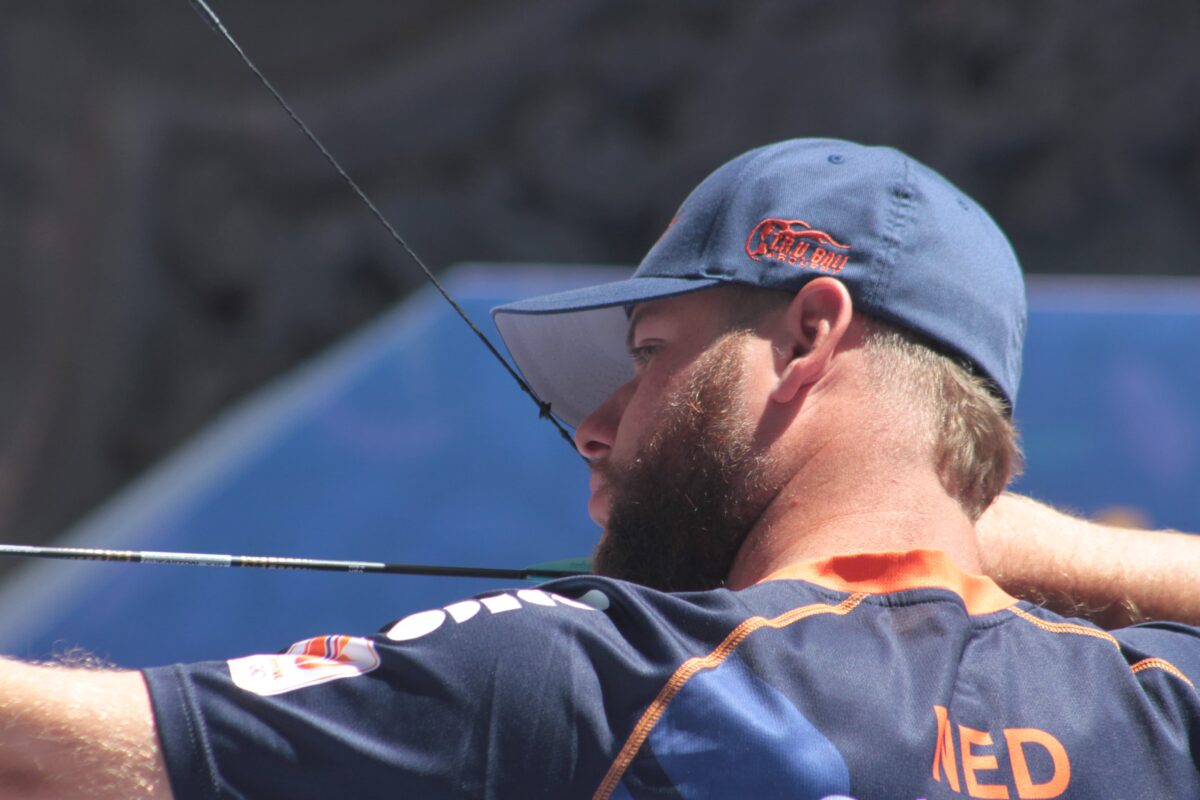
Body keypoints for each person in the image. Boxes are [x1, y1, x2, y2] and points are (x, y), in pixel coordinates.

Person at [2, 139, 1199, 799]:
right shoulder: (1156, 710)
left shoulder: (611, 679)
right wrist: (996, 538)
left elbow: (40, 752)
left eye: (650, 356)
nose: (597, 427)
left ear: (809, 337)